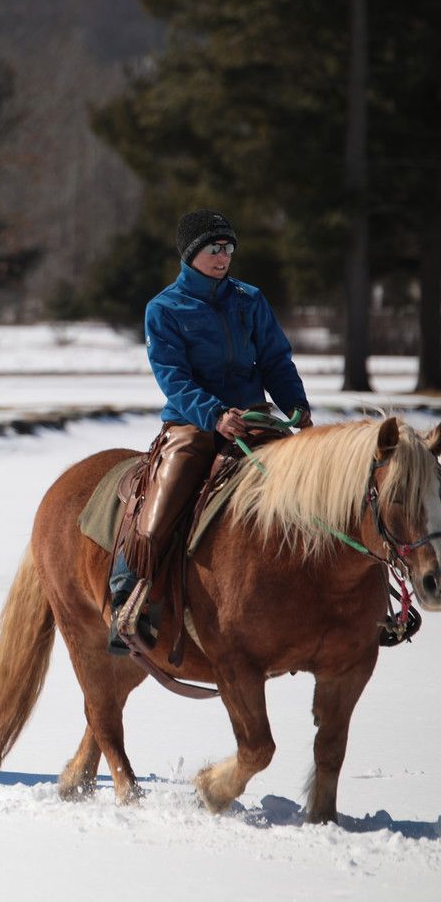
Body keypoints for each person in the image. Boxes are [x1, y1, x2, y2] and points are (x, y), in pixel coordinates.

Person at [108, 209, 311, 653]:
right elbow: (172, 377)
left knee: (308, 486)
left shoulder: (250, 299)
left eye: (229, 248)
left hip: (254, 418)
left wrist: (295, 403)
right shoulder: (163, 308)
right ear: (191, 254)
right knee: (168, 492)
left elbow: (275, 359)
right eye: (213, 249)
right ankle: (127, 592)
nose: (224, 256)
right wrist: (214, 414)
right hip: (192, 421)